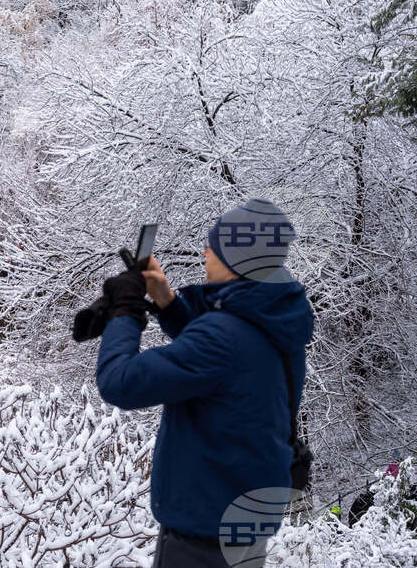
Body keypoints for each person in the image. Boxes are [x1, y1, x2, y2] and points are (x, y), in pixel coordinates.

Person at [90, 198, 313, 567]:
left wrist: (125, 312)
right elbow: (218, 355)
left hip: (202, 539)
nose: (205, 252)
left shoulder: (223, 339)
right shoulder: (277, 319)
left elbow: (119, 381)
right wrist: (165, 300)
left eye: (215, 245)